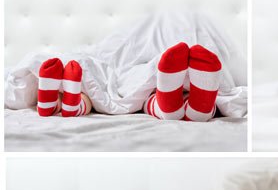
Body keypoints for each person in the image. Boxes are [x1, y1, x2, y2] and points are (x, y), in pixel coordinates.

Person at [36, 42, 224, 123]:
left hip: (99, 74)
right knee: (149, 95)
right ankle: (195, 109)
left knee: (86, 96)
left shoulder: (107, 44)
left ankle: (60, 105)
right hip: (126, 73)